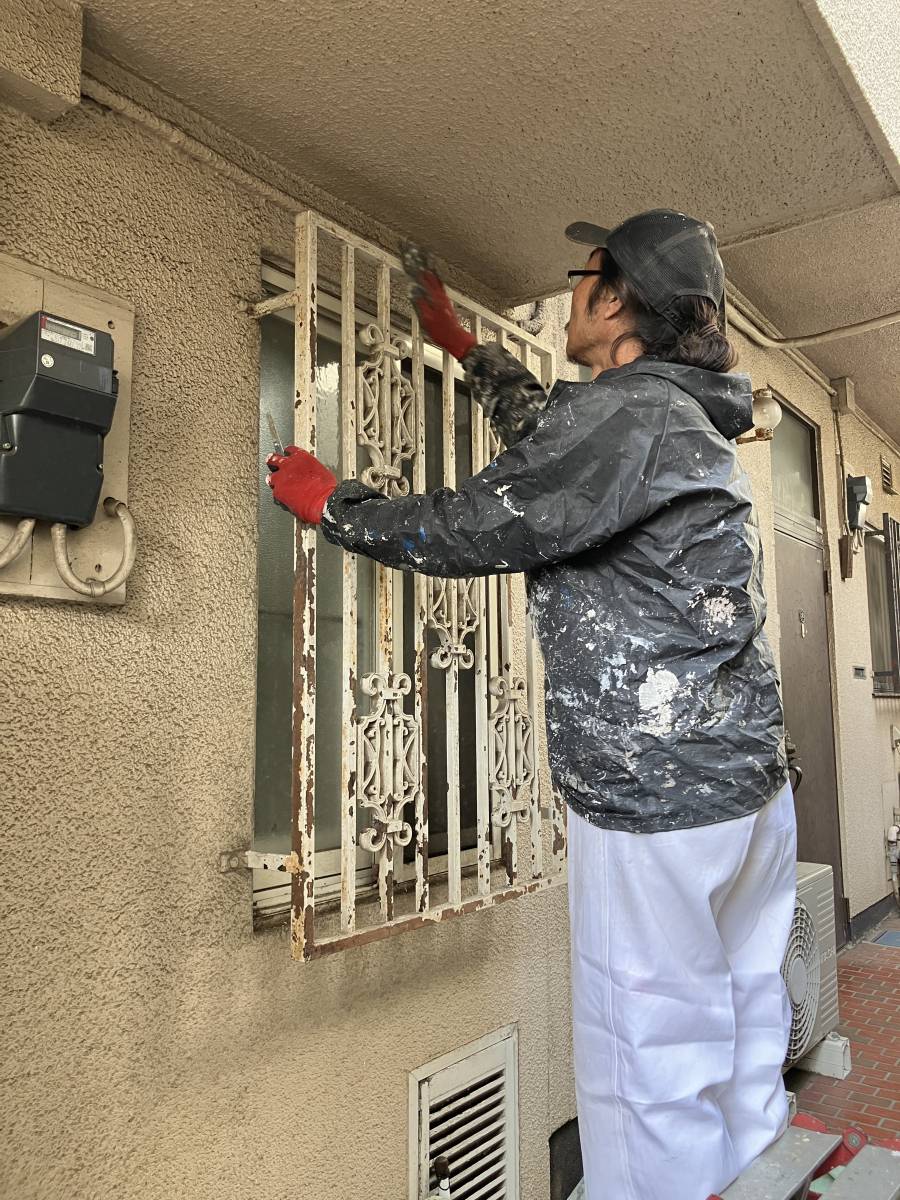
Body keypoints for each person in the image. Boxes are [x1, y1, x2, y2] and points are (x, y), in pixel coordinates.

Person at [266, 210, 797, 1200]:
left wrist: (334, 503)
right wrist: (464, 348)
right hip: (748, 797)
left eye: (582, 278)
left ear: (618, 301)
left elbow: (478, 524)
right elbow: (552, 442)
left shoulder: (625, 422)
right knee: (741, 1042)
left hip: (658, 812)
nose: (567, 297)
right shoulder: (668, 419)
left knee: (649, 1076)